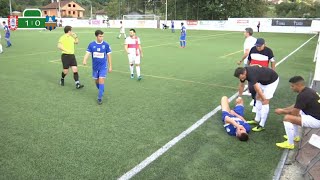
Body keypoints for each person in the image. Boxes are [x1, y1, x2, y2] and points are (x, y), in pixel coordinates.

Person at [275, 76, 320, 149]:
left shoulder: (303, 95)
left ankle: (290, 144)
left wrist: (282, 111)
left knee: (287, 118)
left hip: (317, 120)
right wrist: (283, 109)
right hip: (314, 115)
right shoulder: (308, 90)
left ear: (298, 85)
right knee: (295, 114)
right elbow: (296, 106)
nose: (291, 88)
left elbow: (294, 114)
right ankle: (296, 136)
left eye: (292, 86)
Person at [234, 66, 279, 132]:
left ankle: (261, 125)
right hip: (263, 81)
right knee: (257, 97)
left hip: (271, 81)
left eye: (242, 77)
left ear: (244, 73)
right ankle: (257, 119)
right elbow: (241, 85)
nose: (242, 79)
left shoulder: (252, 75)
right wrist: (239, 97)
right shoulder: (244, 73)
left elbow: (257, 89)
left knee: (265, 101)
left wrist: (264, 98)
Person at [83, 30, 112, 105]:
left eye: (102, 36)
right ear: (96, 36)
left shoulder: (106, 45)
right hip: (95, 67)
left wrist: (110, 66)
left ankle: (99, 98)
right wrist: (84, 60)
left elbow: (109, 56)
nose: (101, 38)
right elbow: (87, 53)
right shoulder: (91, 45)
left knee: (101, 80)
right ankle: (101, 89)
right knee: (96, 81)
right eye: (100, 36)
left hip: (103, 66)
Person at [247, 38, 276, 113]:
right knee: (252, 88)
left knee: (260, 88)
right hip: (253, 72)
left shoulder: (268, 51)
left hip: (262, 73)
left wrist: (272, 71)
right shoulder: (253, 49)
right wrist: (247, 68)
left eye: (260, 46)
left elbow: (272, 61)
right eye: (257, 46)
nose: (258, 47)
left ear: (264, 44)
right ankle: (254, 101)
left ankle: (258, 103)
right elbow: (249, 59)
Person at [237, 28, 257, 107]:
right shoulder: (254, 39)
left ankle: (254, 96)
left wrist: (241, 60)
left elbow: (247, 52)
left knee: (249, 77)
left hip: (249, 61)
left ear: (248, 33)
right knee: (252, 77)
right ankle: (249, 90)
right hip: (255, 60)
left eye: (244, 32)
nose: (244, 33)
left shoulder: (248, 40)